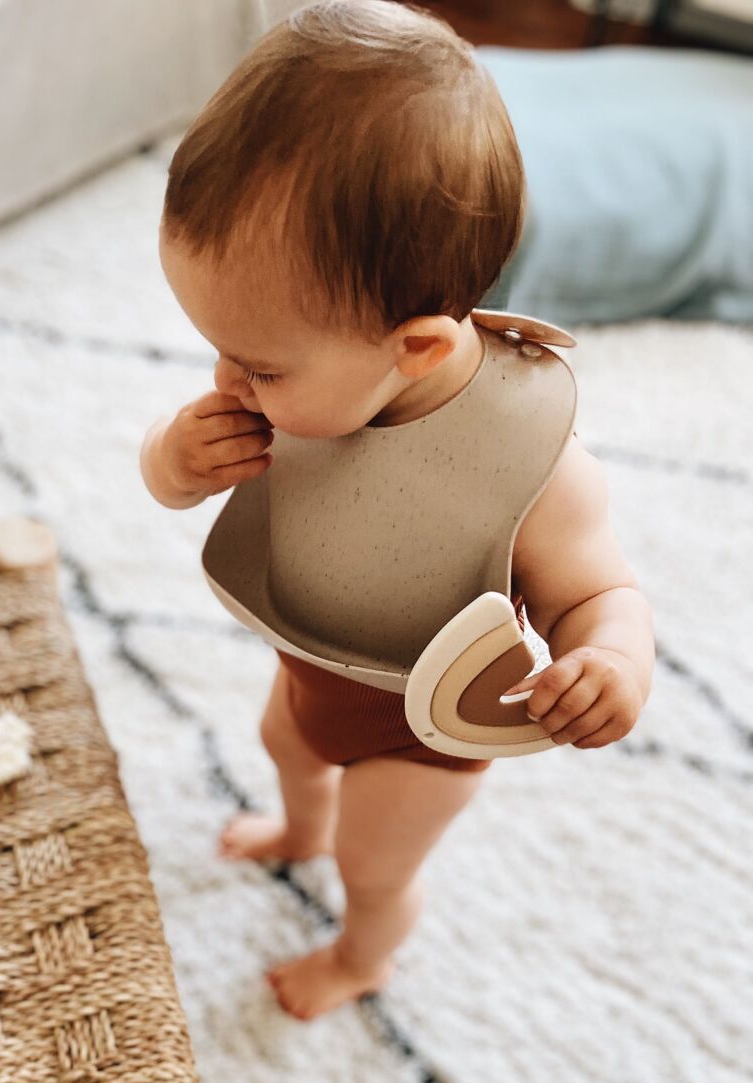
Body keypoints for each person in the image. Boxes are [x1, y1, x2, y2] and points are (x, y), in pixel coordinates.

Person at [139, 0, 654, 1021]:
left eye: (259, 364)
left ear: (413, 348)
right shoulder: (308, 373)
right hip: (316, 655)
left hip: (423, 724)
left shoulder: (533, 462)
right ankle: (297, 828)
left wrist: (611, 664)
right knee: (285, 743)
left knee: (375, 858)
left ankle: (362, 951)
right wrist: (174, 461)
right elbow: (173, 483)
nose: (228, 382)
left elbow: (601, 592)